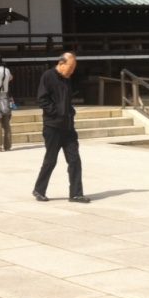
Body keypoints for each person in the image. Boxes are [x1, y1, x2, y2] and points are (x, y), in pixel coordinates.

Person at [32, 52, 89, 203]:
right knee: (51, 160)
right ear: (61, 63)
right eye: (70, 67)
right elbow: (42, 100)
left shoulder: (67, 80)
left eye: (74, 68)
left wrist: (70, 112)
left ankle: (76, 193)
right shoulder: (48, 76)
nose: (72, 71)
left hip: (68, 127)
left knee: (75, 160)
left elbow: (67, 101)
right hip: (52, 126)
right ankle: (39, 189)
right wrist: (57, 113)